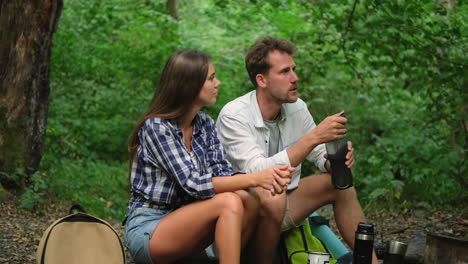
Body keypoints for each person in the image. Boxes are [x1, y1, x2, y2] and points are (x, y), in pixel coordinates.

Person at [216, 37, 379, 264]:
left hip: (285, 202)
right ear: (262, 80)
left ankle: (370, 262)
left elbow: (318, 154)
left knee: (340, 184)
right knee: (272, 194)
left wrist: (335, 160)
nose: (295, 78)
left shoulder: (297, 107)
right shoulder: (234, 115)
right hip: (243, 214)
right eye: (284, 72)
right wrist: (314, 137)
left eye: (294, 69)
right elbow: (258, 173)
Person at [124, 49, 293, 264]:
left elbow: (222, 172)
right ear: (189, 85)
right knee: (229, 201)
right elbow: (193, 183)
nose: (218, 83)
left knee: (249, 198)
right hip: (150, 227)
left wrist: (266, 180)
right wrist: (257, 178)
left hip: (189, 220)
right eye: (211, 78)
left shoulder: (204, 124)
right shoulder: (157, 127)